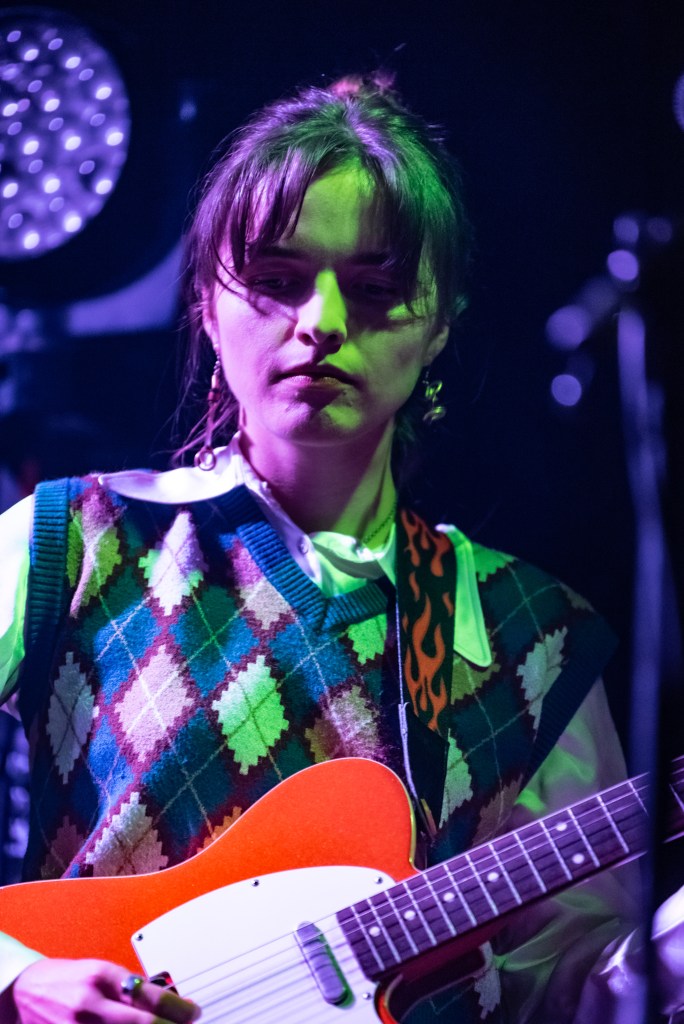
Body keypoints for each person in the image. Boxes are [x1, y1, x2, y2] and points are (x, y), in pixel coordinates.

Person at [0, 73, 679, 1024]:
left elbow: (566, 986)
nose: (320, 323)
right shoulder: (73, 540)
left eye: (375, 289)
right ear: (206, 303)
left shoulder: (536, 633)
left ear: (440, 324)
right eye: (277, 282)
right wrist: (16, 979)